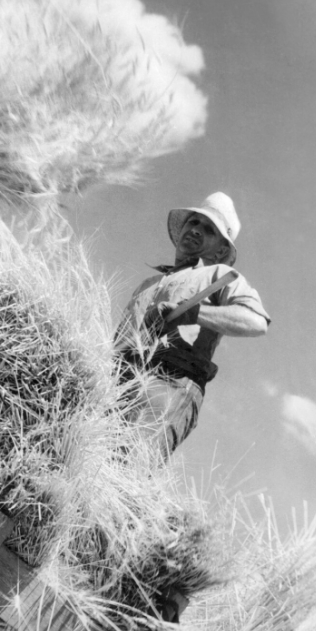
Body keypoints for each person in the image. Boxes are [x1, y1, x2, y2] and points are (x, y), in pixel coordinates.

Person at [115, 192, 270, 458]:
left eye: (208, 229)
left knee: (130, 461)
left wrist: (194, 313)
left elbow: (255, 321)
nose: (196, 230)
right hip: (119, 381)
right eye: (193, 223)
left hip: (169, 382)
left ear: (221, 250)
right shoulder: (149, 284)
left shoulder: (219, 276)